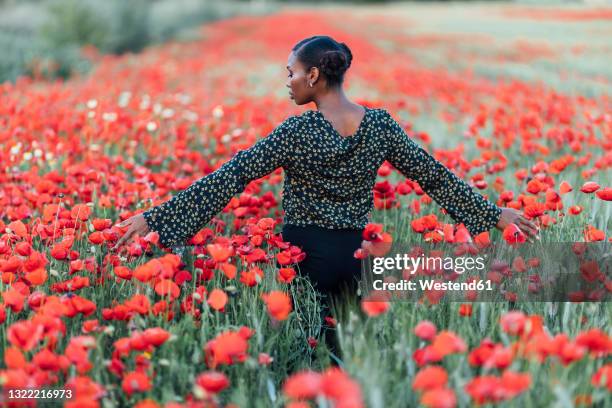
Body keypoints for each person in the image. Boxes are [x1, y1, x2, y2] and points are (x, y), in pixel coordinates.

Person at [111, 35, 539, 365]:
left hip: (304, 257)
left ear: (313, 75)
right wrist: (493, 215)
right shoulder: (379, 126)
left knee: (307, 353)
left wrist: (158, 220)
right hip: (354, 256)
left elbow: (232, 176)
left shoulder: (296, 132)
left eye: (291, 72)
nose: (288, 82)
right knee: (345, 356)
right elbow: (434, 177)